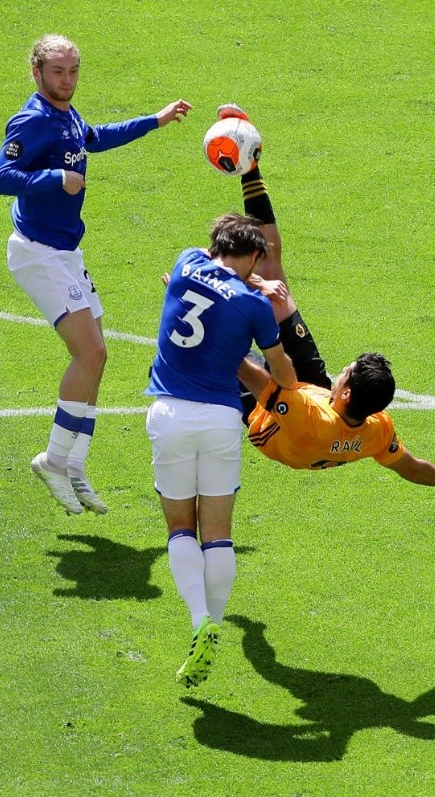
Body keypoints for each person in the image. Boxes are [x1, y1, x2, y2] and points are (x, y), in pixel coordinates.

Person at [225, 105, 435, 495]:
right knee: (272, 267)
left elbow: (240, 363)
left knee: (226, 339)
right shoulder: (375, 429)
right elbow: (410, 466)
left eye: (346, 373)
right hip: (309, 395)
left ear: (345, 391)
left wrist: (194, 288)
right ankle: (249, 163)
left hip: (274, 416)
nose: (343, 371)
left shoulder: (310, 414)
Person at [0, 34, 192, 516]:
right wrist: (54, 178)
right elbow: (1, 177)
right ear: (36, 73)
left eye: (74, 71)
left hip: (65, 252)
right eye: (58, 72)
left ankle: (75, 461)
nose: (67, 80)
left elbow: (93, 138)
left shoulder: (67, 115)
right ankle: (53, 459)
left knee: (98, 359)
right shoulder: (33, 119)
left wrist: (156, 121)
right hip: (38, 252)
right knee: (91, 352)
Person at [144, 211, 296, 689]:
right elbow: (284, 378)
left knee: (179, 526)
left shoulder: (186, 262)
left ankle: (198, 621)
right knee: (218, 533)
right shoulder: (254, 306)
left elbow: (205, 269)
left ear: (215, 246)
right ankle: (213, 622)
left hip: (169, 416)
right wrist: (264, 302)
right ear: (253, 257)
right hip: (220, 420)